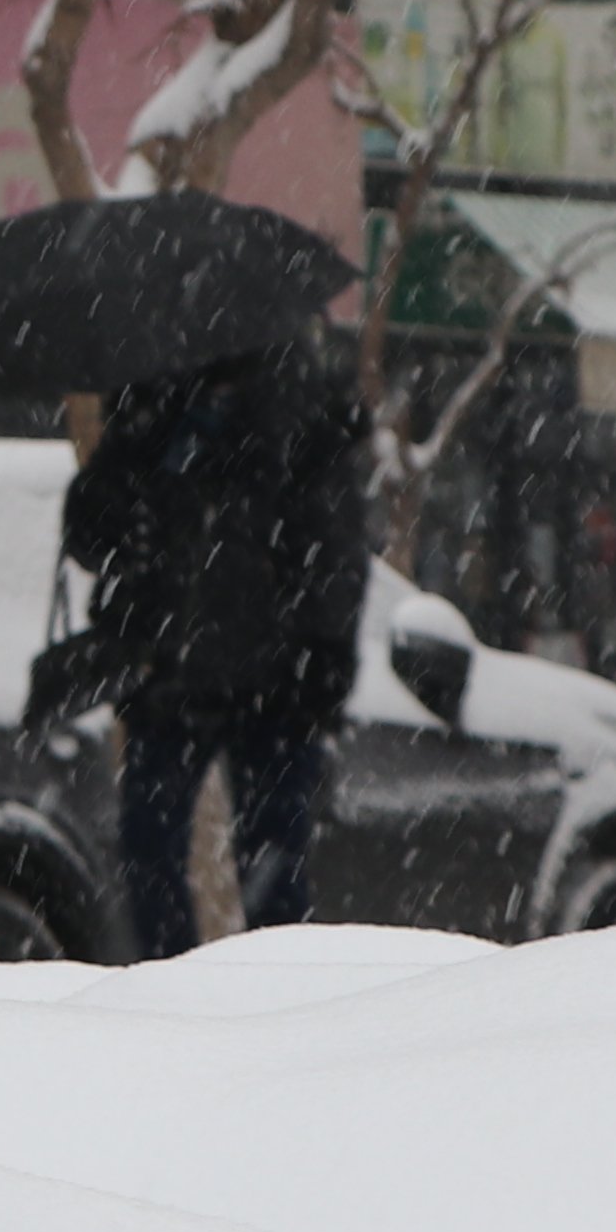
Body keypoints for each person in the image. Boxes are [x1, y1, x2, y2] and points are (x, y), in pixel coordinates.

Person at [49, 330, 370, 956]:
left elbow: (335, 546)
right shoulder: (154, 401)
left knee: (269, 865)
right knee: (153, 850)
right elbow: (95, 537)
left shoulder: (297, 402)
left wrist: (322, 655)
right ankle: (179, 997)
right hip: (175, 671)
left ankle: (275, 1004)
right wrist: (107, 502)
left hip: (270, 678)